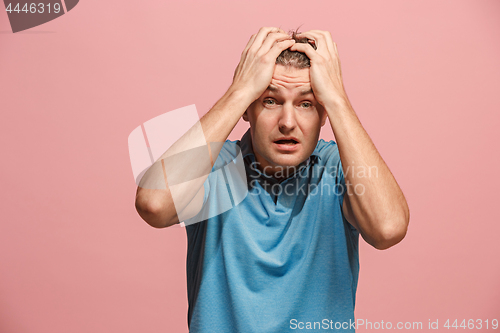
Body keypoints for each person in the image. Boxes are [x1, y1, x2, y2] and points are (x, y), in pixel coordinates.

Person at [135, 27, 410, 332]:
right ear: (247, 110)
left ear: (323, 113)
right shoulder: (214, 167)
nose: (288, 123)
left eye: (306, 103)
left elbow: (388, 228)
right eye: (270, 100)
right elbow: (153, 205)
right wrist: (238, 92)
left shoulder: (336, 168)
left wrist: (338, 99)